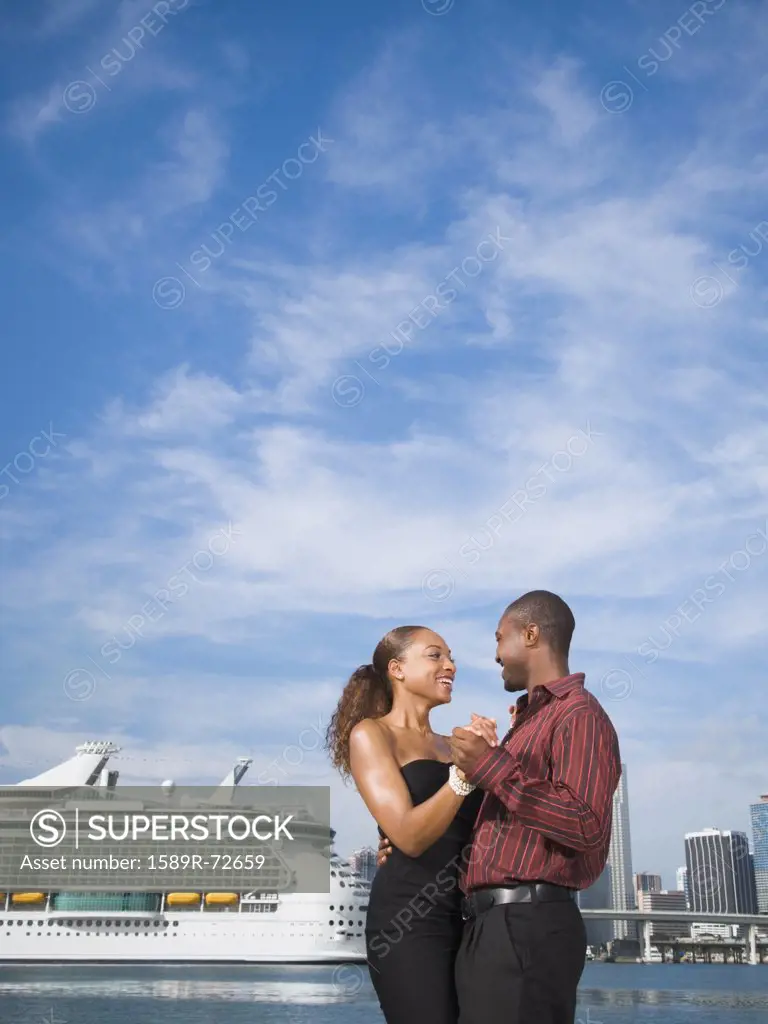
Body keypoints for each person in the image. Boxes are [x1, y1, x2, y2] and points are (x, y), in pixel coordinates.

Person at [377, 591, 622, 1024]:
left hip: (527, 924)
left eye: (498, 639)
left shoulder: (579, 714)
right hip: (487, 927)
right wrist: (400, 836)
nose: (493, 655)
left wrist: (488, 765)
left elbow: (586, 825)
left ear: (530, 635)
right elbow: (496, 821)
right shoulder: (526, 724)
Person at [325, 625, 498, 1024]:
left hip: (472, 920)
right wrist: (466, 776)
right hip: (408, 923)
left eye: (451, 657)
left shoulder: (456, 745)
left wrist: (496, 758)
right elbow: (409, 836)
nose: (451, 665)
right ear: (398, 669)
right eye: (435, 655)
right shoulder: (372, 734)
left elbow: (489, 829)